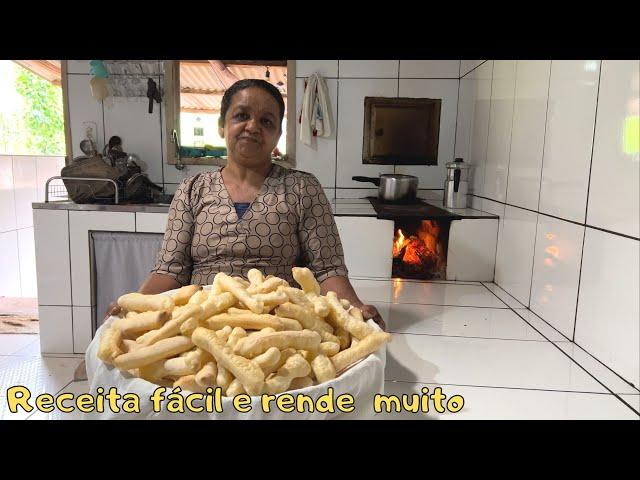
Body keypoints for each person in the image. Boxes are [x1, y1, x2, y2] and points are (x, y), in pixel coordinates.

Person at [105, 79, 385, 330]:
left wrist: (355, 310)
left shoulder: (303, 189)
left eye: (266, 121)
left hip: (281, 325)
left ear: (277, 135)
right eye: (242, 116)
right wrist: (135, 305)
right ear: (221, 126)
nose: (253, 126)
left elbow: (328, 269)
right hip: (200, 325)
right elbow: (170, 270)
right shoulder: (192, 190)